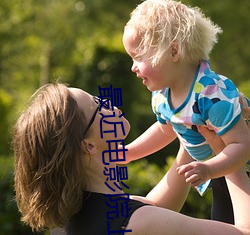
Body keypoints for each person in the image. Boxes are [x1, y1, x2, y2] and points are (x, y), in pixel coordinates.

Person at [13, 83, 250, 235]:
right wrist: (226, 151)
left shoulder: (70, 219)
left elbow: (157, 206)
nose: (108, 103)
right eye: (98, 106)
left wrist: (189, 124)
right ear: (88, 145)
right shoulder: (138, 222)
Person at [122, 0, 250, 223]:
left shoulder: (211, 94)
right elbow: (165, 130)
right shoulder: (162, 95)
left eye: (138, 57)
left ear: (173, 52)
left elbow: (242, 145)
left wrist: (209, 169)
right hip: (221, 173)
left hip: (240, 169)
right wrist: (131, 152)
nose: (133, 67)